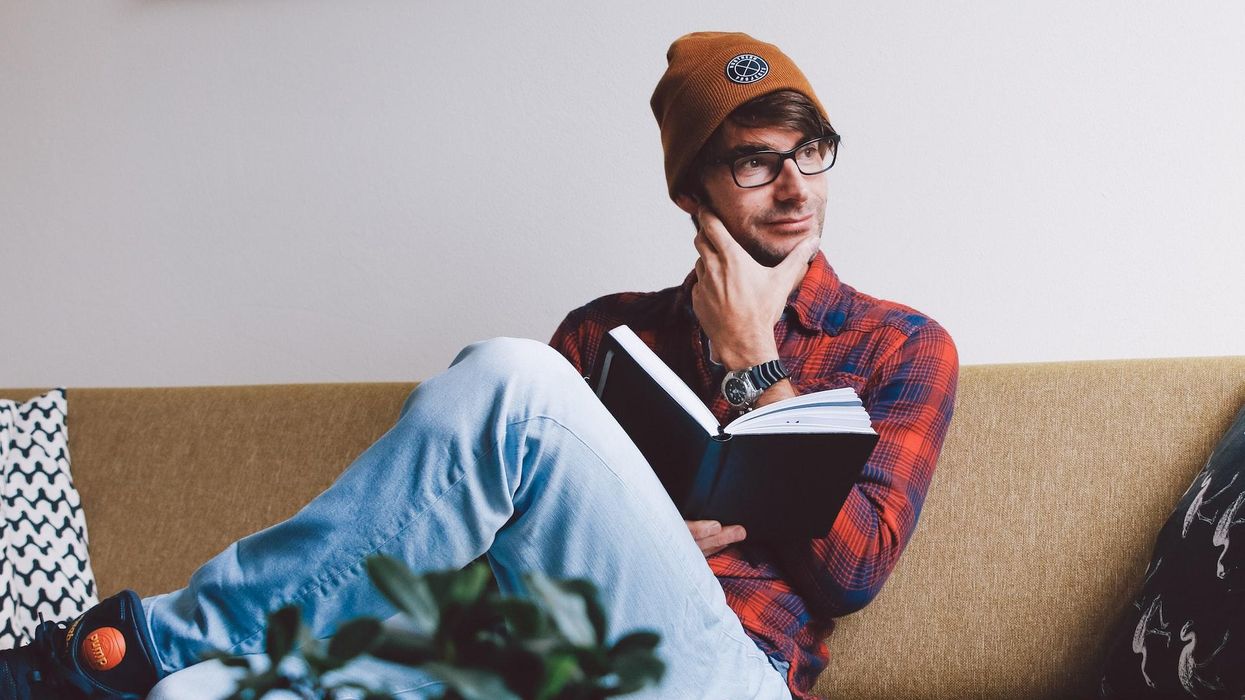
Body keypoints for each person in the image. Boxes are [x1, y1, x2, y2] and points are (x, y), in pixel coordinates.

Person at [0, 32, 958, 700]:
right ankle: (177, 660)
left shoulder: (900, 345)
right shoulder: (605, 334)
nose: (795, 186)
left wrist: (752, 357)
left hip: (720, 671)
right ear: (692, 192)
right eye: (756, 161)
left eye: (813, 151)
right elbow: (453, 550)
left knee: (514, 384)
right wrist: (631, 530)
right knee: (198, 695)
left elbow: (856, 572)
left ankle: (139, 638)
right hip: (525, 656)